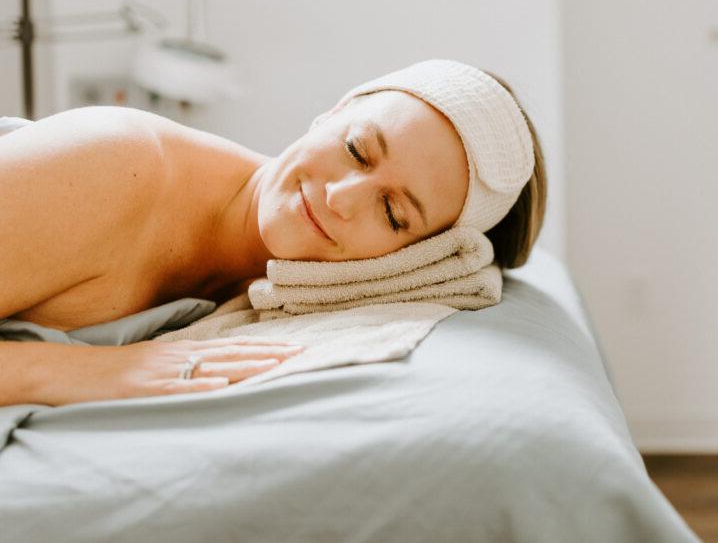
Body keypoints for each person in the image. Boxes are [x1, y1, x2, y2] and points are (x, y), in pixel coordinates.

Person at [0, 59, 547, 407]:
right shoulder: (114, 165)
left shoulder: (278, 291)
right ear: (333, 113)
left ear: (411, 261)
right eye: (356, 149)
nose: (340, 196)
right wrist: (58, 373)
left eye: (393, 214)